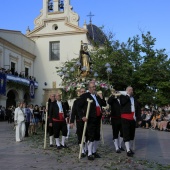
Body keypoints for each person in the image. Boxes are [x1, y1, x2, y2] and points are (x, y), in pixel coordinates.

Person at [77, 81, 106, 160]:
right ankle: (89, 153)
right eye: (93, 87)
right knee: (91, 135)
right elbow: (78, 107)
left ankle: (94, 151)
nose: (94, 88)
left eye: (94, 87)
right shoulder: (85, 96)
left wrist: (101, 97)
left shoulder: (97, 96)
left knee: (97, 136)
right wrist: (82, 116)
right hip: (90, 118)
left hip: (97, 118)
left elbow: (104, 104)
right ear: (89, 88)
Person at [119, 86, 141, 157]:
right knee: (126, 134)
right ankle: (128, 150)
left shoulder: (134, 99)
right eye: (129, 90)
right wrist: (127, 95)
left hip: (133, 118)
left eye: (131, 90)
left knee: (132, 135)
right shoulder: (123, 97)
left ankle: (129, 148)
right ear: (126, 91)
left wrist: (139, 119)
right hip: (125, 118)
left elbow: (138, 109)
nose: (131, 91)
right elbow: (122, 103)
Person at [70, 87, 87, 157]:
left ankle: (86, 149)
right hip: (79, 121)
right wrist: (71, 121)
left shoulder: (88, 101)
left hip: (87, 121)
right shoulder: (76, 101)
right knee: (80, 135)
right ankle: (82, 150)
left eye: (84, 91)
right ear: (79, 93)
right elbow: (73, 112)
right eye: (81, 92)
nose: (83, 93)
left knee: (87, 135)